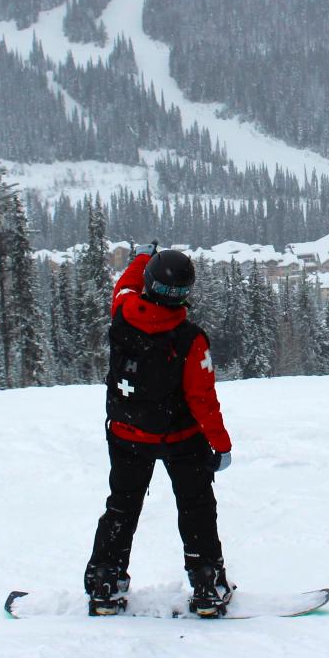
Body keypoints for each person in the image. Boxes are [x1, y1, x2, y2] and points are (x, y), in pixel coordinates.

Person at [85, 243, 235, 617]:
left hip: (126, 435)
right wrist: (221, 444)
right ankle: (206, 583)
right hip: (180, 439)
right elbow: (203, 399)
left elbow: (124, 284)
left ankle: (106, 580)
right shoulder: (190, 339)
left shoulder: (123, 313)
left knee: (121, 505)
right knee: (196, 506)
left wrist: (140, 257)